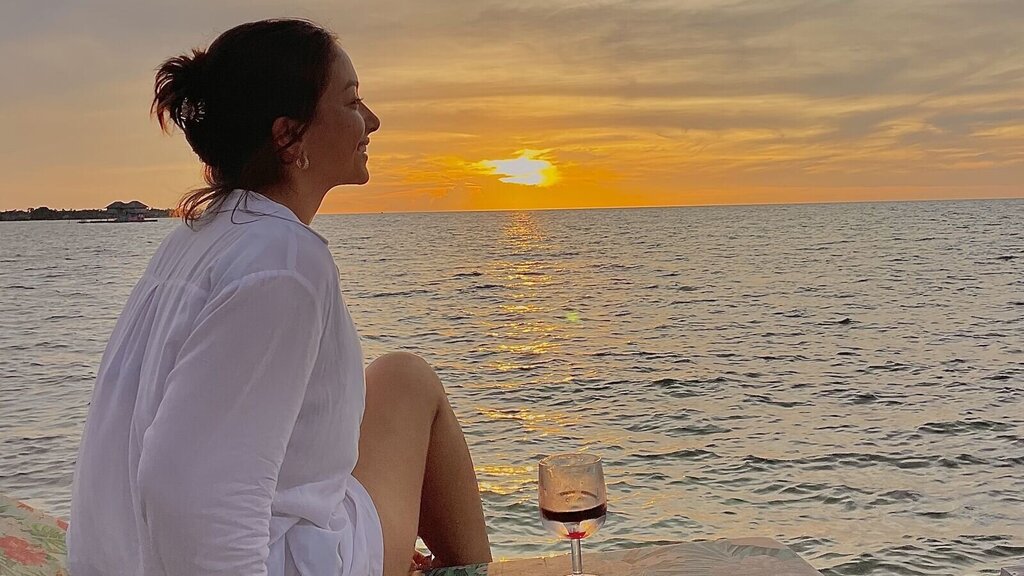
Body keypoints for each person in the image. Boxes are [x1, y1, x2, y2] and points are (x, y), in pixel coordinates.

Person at [66, 18, 492, 576]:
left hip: (125, 560)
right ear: (289, 136)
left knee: (400, 376)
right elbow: (186, 490)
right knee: (413, 383)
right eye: (351, 101)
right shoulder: (284, 263)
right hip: (272, 564)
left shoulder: (201, 236)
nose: (372, 120)